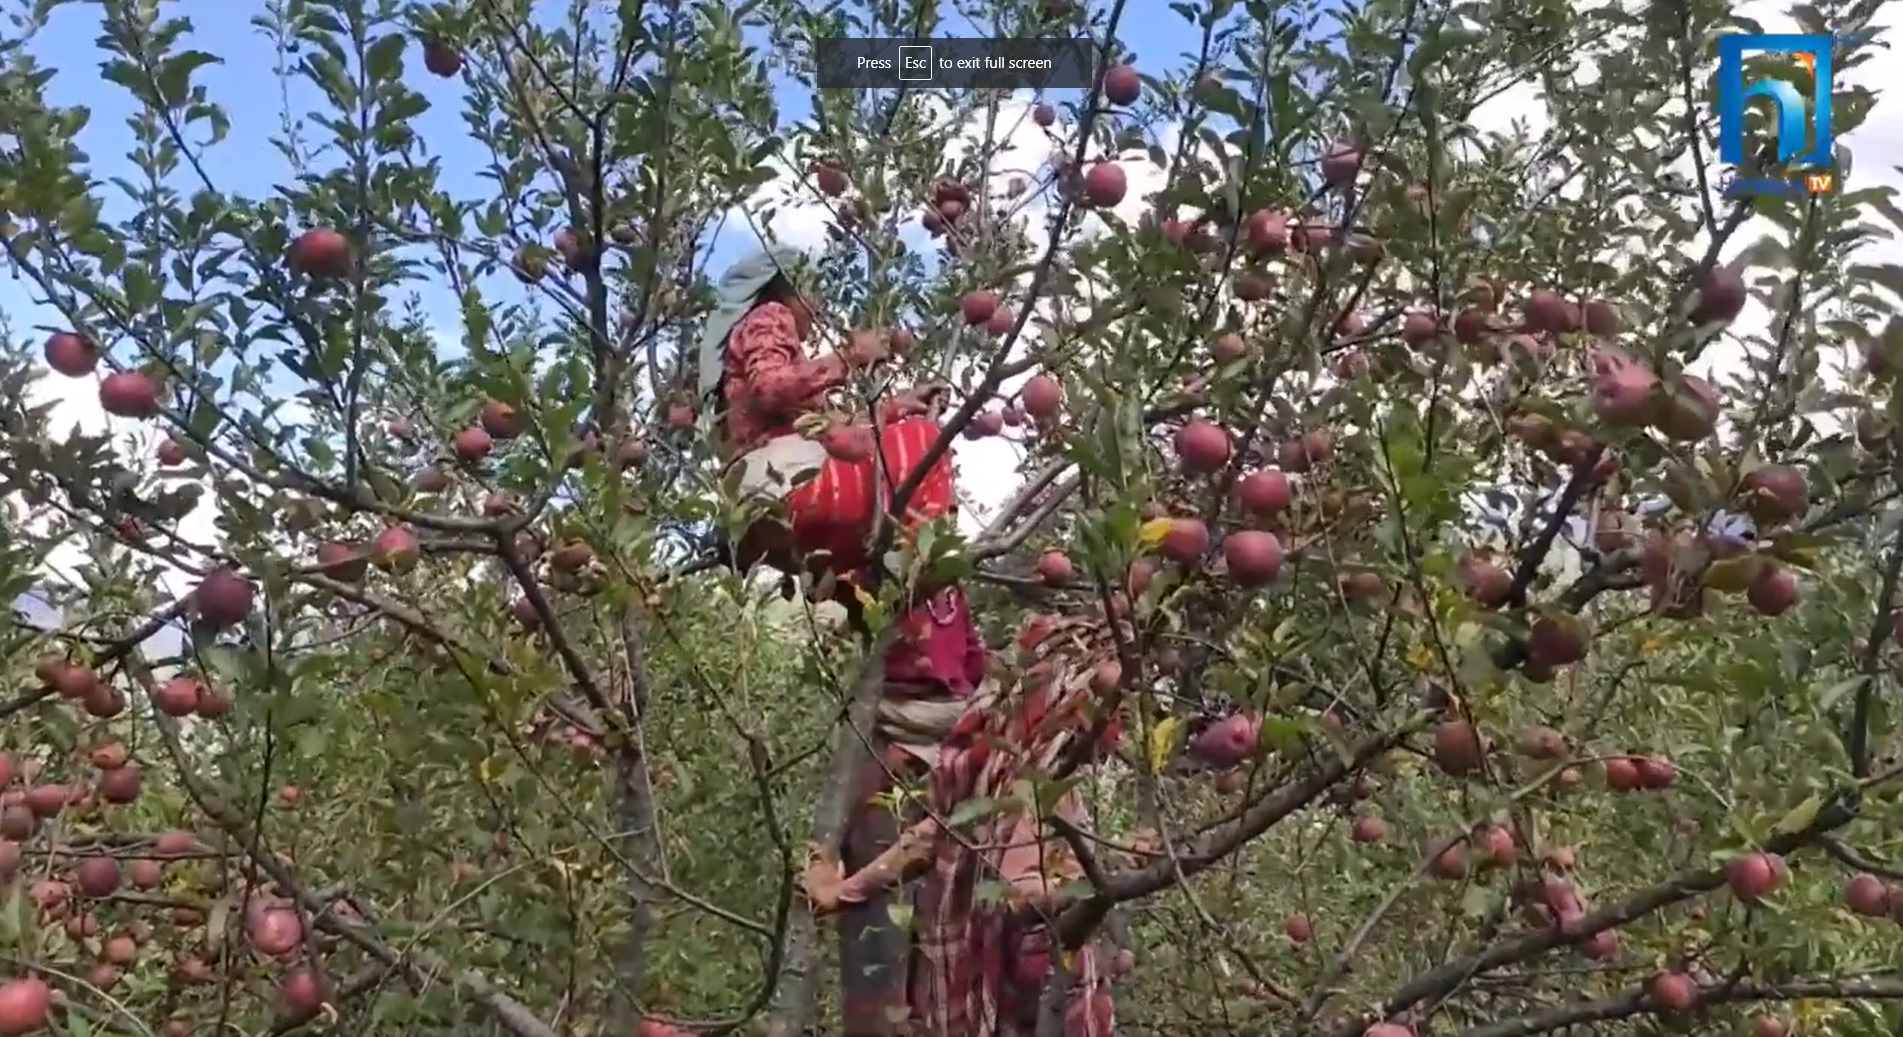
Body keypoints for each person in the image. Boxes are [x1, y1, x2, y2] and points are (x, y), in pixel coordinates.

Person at [696, 245, 991, 1034]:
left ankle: (888, 596)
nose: (808, 312)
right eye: (807, 299)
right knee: (916, 451)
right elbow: (773, 387)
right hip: (780, 486)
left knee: (901, 435)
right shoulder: (767, 320)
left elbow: (823, 425)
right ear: (782, 290)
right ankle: (919, 587)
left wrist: (890, 406)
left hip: (779, 501)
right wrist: (853, 355)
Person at [802, 610, 1126, 1037]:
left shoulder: (1008, 776)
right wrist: (840, 892)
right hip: (1013, 999)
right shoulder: (1002, 777)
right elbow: (940, 839)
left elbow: (937, 838)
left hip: (1039, 998)